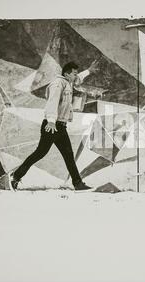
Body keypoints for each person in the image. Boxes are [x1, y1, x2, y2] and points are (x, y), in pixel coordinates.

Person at [9, 60, 99, 192]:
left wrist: (89, 71)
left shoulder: (67, 81)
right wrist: (51, 121)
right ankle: (15, 176)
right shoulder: (58, 84)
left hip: (60, 126)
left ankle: (78, 183)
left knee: (68, 155)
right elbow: (52, 102)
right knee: (40, 153)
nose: (76, 75)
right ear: (67, 74)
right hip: (52, 125)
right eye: (74, 73)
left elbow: (78, 80)